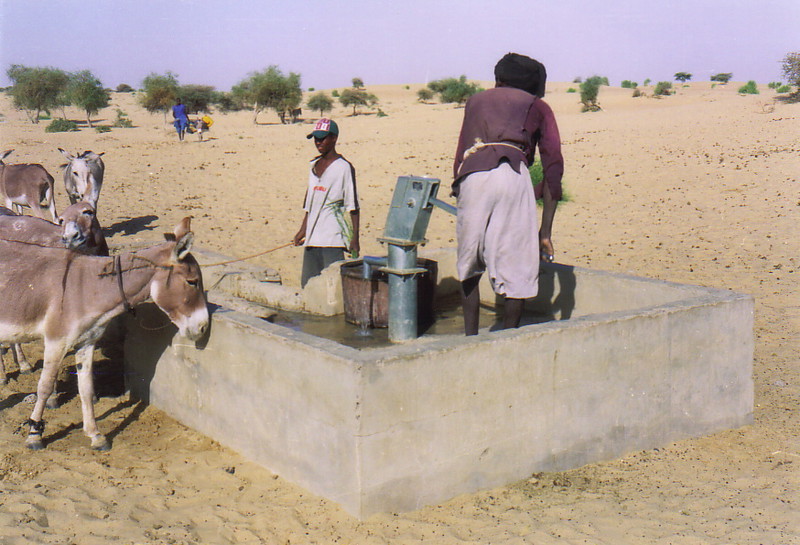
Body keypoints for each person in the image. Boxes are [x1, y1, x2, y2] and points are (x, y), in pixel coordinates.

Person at [452, 52, 564, 336]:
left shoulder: (475, 101)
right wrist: (545, 231)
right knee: (515, 267)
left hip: (472, 174)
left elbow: (459, 156)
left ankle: (469, 339)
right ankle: (508, 338)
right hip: (514, 177)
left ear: (499, 78)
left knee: (469, 264)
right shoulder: (538, 106)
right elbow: (553, 165)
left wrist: (460, 187)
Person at [293, 118, 360, 288]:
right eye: (316, 138)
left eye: (322, 138)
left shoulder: (344, 167)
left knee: (333, 286)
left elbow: (353, 206)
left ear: (334, 138)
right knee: (308, 285)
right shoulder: (313, 165)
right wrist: (302, 230)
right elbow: (310, 204)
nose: (318, 142)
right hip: (312, 238)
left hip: (333, 237)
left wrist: (355, 239)